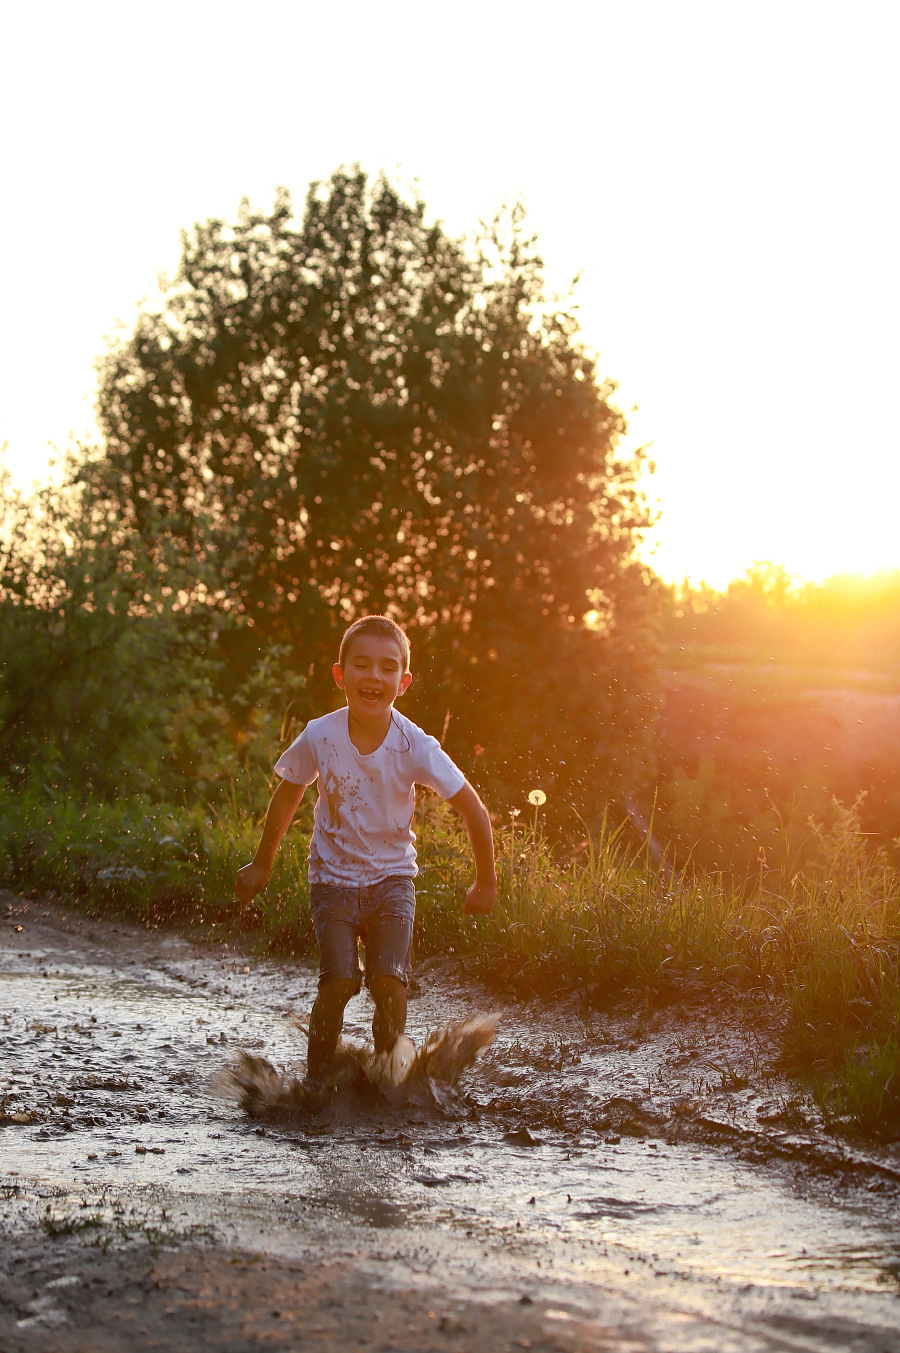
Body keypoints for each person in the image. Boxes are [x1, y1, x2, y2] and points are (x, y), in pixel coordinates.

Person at [235, 615, 497, 1089]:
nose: (374, 676)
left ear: (403, 681)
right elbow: (289, 794)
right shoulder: (321, 734)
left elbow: (473, 809)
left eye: (387, 667)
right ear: (340, 674)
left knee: (388, 984)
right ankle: (315, 1086)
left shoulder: (414, 745)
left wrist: (486, 882)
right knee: (338, 982)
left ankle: (387, 1081)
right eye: (361, 665)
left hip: (392, 882)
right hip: (331, 881)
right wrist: (261, 863)